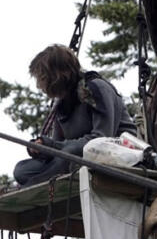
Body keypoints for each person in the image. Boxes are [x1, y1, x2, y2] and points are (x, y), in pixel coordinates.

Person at [10, 44, 137, 188]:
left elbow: (101, 138)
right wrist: (42, 148)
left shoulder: (95, 88)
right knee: (22, 169)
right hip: (74, 158)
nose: (39, 85)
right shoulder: (61, 103)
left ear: (56, 75)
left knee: (69, 153)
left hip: (115, 151)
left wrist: (54, 145)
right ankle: (41, 180)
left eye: (42, 78)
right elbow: (58, 147)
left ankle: (30, 186)